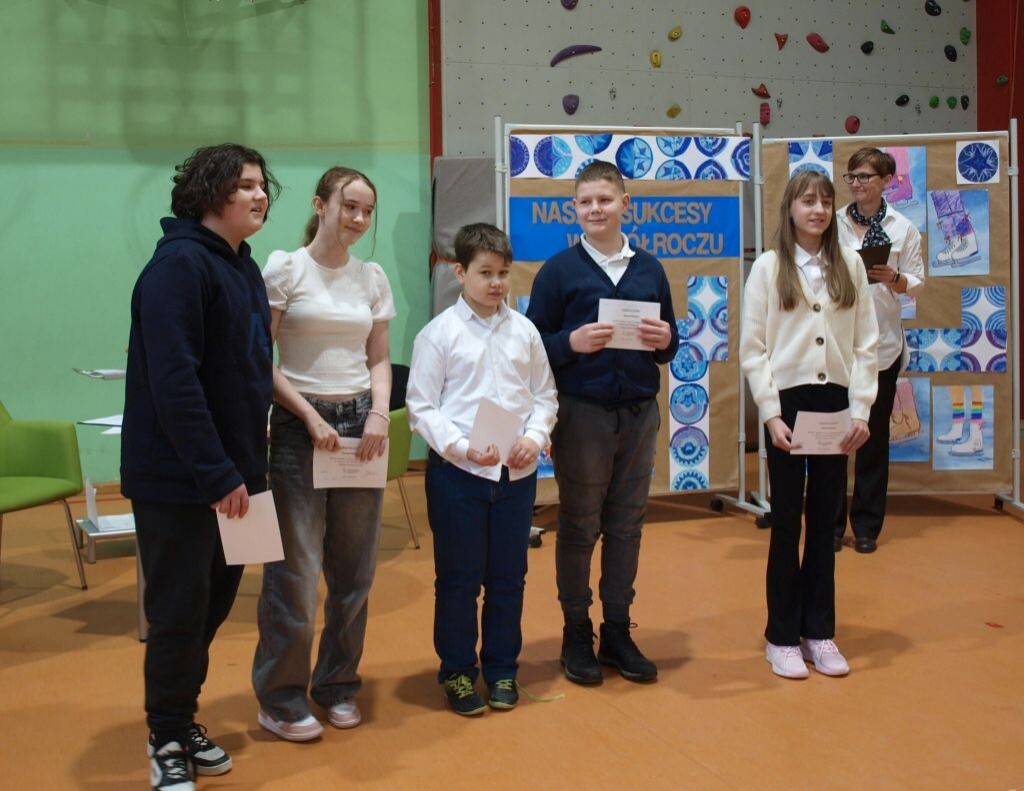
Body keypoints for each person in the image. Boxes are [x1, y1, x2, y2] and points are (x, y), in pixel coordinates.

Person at [121, 143, 278, 790]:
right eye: (245, 185)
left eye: (263, 184)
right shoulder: (178, 266)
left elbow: (249, 371)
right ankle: (164, 736)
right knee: (179, 612)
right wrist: (217, 474)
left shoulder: (244, 266)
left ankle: (181, 717)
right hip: (183, 484)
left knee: (211, 608)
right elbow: (175, 384)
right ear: (211, 192)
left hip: (237, 479)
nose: (260, 194)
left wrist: (247, 473)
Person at [252, 167, 394, 741]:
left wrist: (379, 413)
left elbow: (379, 357)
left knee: (355, 569)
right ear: (321, 205)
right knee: (296, 569)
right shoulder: (286, 267)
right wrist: (308, 417)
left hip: (360, 428)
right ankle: (281, 697)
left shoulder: (372, 277)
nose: (358, 219)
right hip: (298, 426)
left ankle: (337, 684)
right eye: (349, 206)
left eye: (367, 210)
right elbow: (260, 358)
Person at [526, 161, 679, 685]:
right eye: (586, 202)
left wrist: (667, 340)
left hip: (639, 413)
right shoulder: (558, 272)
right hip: (582, 414)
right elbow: (531, 347)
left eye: (605, 200)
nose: (596, 209)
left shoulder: (649, 269)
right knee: (579, 524)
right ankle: (576, 630)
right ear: (574, 208)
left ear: (625, 204)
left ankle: (617, 629)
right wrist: (570, 342)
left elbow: (668, 343)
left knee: (627, 524)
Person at [407, 223, 557, 715]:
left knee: (509, 578)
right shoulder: (438, 334)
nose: (496, 283)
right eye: (485, 273)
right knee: (458, 580)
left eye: (503, 273)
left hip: (516, 476)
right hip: (458, 477)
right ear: (459, 272)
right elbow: (421, 407)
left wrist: (534, 438)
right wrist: (461, 448)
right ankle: (457, 671)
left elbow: (544, 396)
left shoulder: (525, 331)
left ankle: (502, 668)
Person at [740, 170, 878, 680]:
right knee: (786, 521)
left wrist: (860, 409)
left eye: (824, 201)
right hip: (788, 404)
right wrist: (770, 412)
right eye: (807, 201)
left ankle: (819, 631)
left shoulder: (851, 264)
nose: (817, 210)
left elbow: (866, 344)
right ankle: (781, 636)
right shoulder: (769, 267)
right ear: (791, 208)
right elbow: (753, 348)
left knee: (824, 521)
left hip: (834, 403)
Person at [835, 147, 925, 554]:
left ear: (887, 181)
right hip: (835, 345)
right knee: (834, 438)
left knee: (872, 440)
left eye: (865, 177)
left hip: (882, 346)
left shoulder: (902, 228)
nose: (857, 184)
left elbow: (917, 282)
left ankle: (867, 527)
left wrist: (895, 278)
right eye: (852, 176)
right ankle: (830, 526)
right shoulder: (833, 221)